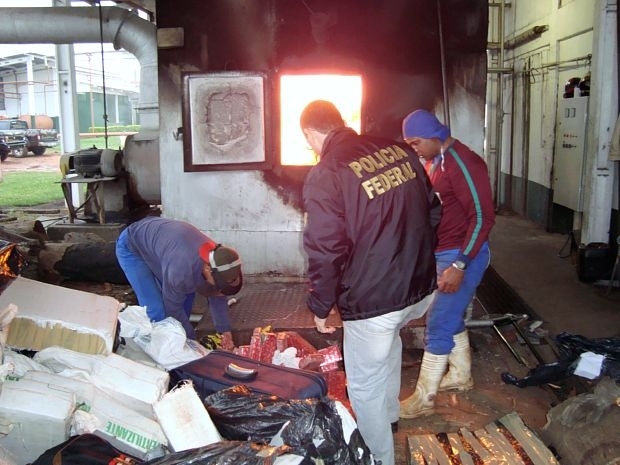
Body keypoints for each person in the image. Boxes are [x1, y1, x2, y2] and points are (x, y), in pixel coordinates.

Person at [300, 100, 440, 465]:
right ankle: (391, 419)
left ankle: (379, 458)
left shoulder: (327, 172)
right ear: (340, 122)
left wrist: (321, 305)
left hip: (376, 300)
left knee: (363, 384)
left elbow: (326, 248)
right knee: (388, 345)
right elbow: (433, 210)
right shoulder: (397, 150)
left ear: (310, 133)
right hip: (418, 288)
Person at [399, 109, 495, 419]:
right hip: (445, 253)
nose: (413, 149)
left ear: (432, 137)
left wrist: (461, 264)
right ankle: (460, 375)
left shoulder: (463, 163)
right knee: (450, 316)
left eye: (415, 143)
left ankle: (424, 397)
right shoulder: (435, 160)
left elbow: (482, 217)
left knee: (438, 321)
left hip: (462, 256)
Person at [115, 216, 242, 350]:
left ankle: (177, 349)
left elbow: (218, 294)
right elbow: (173, 309)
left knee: (184, 303)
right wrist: (194, 345)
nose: (219, 289)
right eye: (218, 284)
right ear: (207, 269)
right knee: (157, 311)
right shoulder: (180, 271)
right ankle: (161, 357)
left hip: (163, 247)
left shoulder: (220, 259)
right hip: (132, 247)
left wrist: (224, 331)